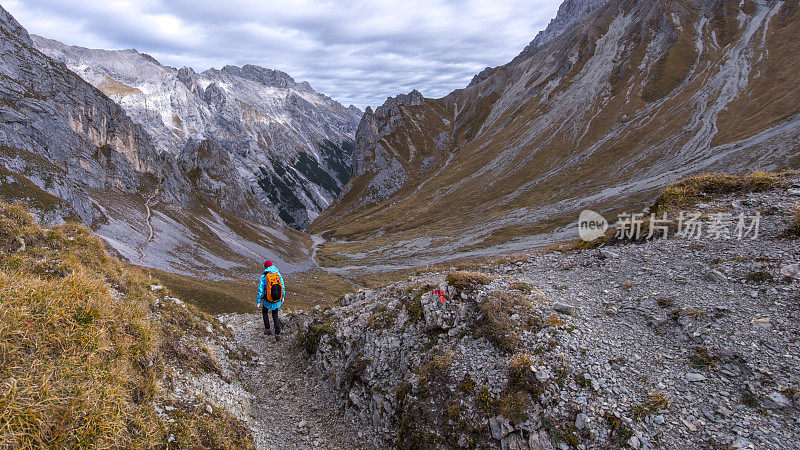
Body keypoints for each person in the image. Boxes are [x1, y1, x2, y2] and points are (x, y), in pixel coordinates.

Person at [257, 260, 285, 340]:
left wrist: (258, 302)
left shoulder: (264, 276)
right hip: (277, 299)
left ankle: (267, 329)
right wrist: (282, 297)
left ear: (265, 267)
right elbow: (282, 286)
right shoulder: (277, 274)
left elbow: (260, 290)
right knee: (275, 315)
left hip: (267, 299)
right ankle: (277, 334)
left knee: (265, 312)